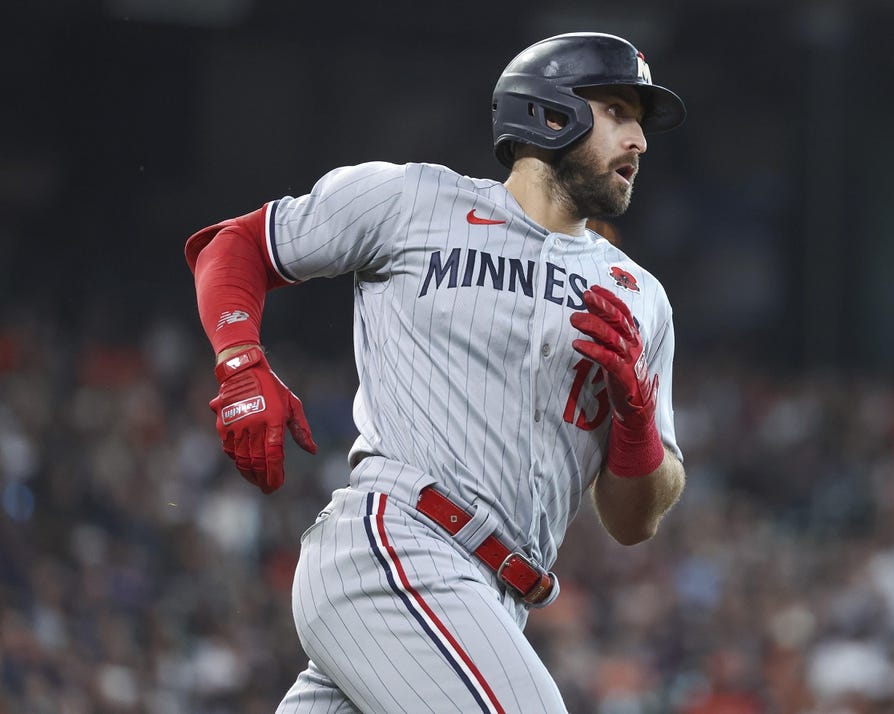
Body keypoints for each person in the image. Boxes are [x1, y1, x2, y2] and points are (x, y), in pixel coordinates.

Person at [184, 31, 687, 713]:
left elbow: (634, 521)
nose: (640, 141)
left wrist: (635, 423)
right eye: (620, 112)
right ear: (548, 111)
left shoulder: (638, 299)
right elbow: (236, 246)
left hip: (492, 603)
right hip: (399, 546)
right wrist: (241, 363)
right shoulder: (417, 201)